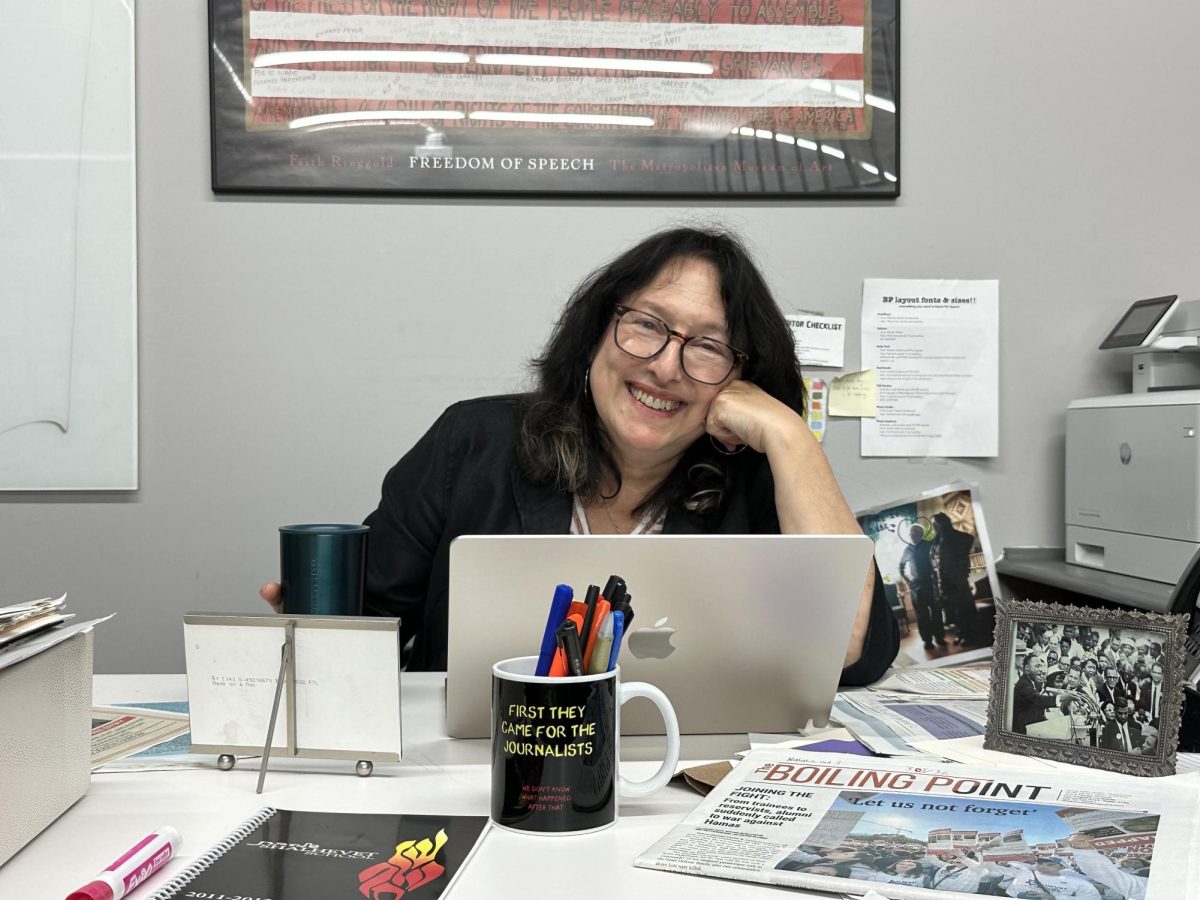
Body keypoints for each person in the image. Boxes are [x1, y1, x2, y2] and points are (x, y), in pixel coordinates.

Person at [260, 227, 900, 679]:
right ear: (595, 332)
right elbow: (365, 626)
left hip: (681, 782)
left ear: (740, 376)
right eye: (647, 324)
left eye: (707, 346)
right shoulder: (472, 443)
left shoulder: (756, 480)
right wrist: (315, 635)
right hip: (473, 777)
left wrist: (791, 436)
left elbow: (851, 651)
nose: (665, 366)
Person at [929, 512, 979, 645]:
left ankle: (969, 635)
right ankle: (960, 633)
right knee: (953, 610)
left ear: (943, 523)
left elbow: (969, 538)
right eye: (933, 524)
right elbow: (935, 559)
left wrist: (961, 563)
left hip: (957, 580)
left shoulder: (957, 537)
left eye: (935, 523)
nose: (934, 526)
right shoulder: (937, 540)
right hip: (943, 581)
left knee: (963, 608)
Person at [899, 524, 944, 650]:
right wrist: (908, 581)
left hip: (931, 583)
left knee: (936, 611)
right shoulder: (908, 549)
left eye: (914, 533)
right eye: (910, 533)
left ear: (920, 534)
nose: (911, 535)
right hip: (916, 586)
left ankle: (940, 637)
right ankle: (927, 640)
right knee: (921, 614)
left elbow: (938, 554)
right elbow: (901, 566)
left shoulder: (928, 544)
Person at [1012, 653, 1058, 735]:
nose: (1040, 669)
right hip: (1022, 732)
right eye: (1037, 666)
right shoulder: (1023, 684)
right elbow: (1038, 700)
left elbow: (1037, 711)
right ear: (1027, 668)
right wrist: (1060, 698)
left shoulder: (1033, 682)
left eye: (1041, 666)